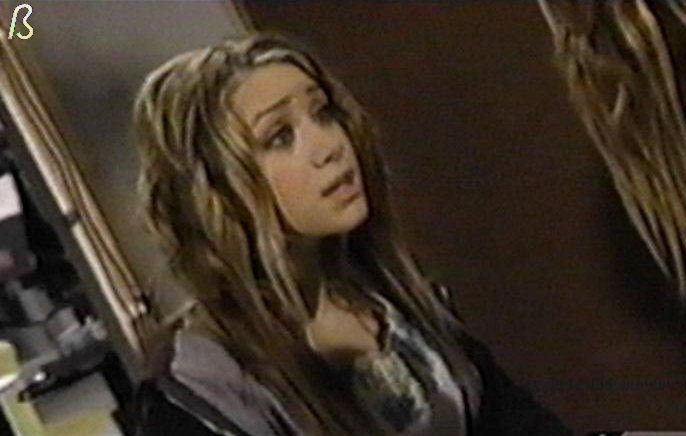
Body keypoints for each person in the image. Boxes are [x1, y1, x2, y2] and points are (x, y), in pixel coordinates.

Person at [130, 32, 571, 435]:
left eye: (323, 113)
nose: (330, 146)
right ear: (215, 193)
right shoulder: (203, 386)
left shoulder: (396, 296)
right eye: (280, 136)